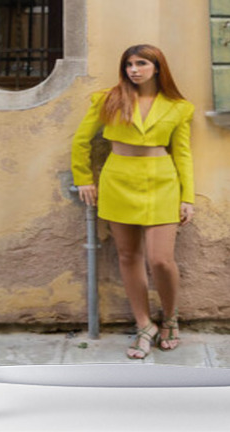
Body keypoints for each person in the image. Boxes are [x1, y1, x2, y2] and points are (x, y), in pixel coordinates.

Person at [71, 44, 195, 359]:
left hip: (162, 182)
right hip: (118, 181)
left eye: (141, 63)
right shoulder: (108, 99)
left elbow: (183, 154)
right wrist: (84, 178)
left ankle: (170, 318)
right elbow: (82, 140)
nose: (134, 70)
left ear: (157, 67)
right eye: (129, 64)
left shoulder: (178, 107)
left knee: (160, 260)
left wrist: (187, 197)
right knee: (128, 256)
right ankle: (144, 325)